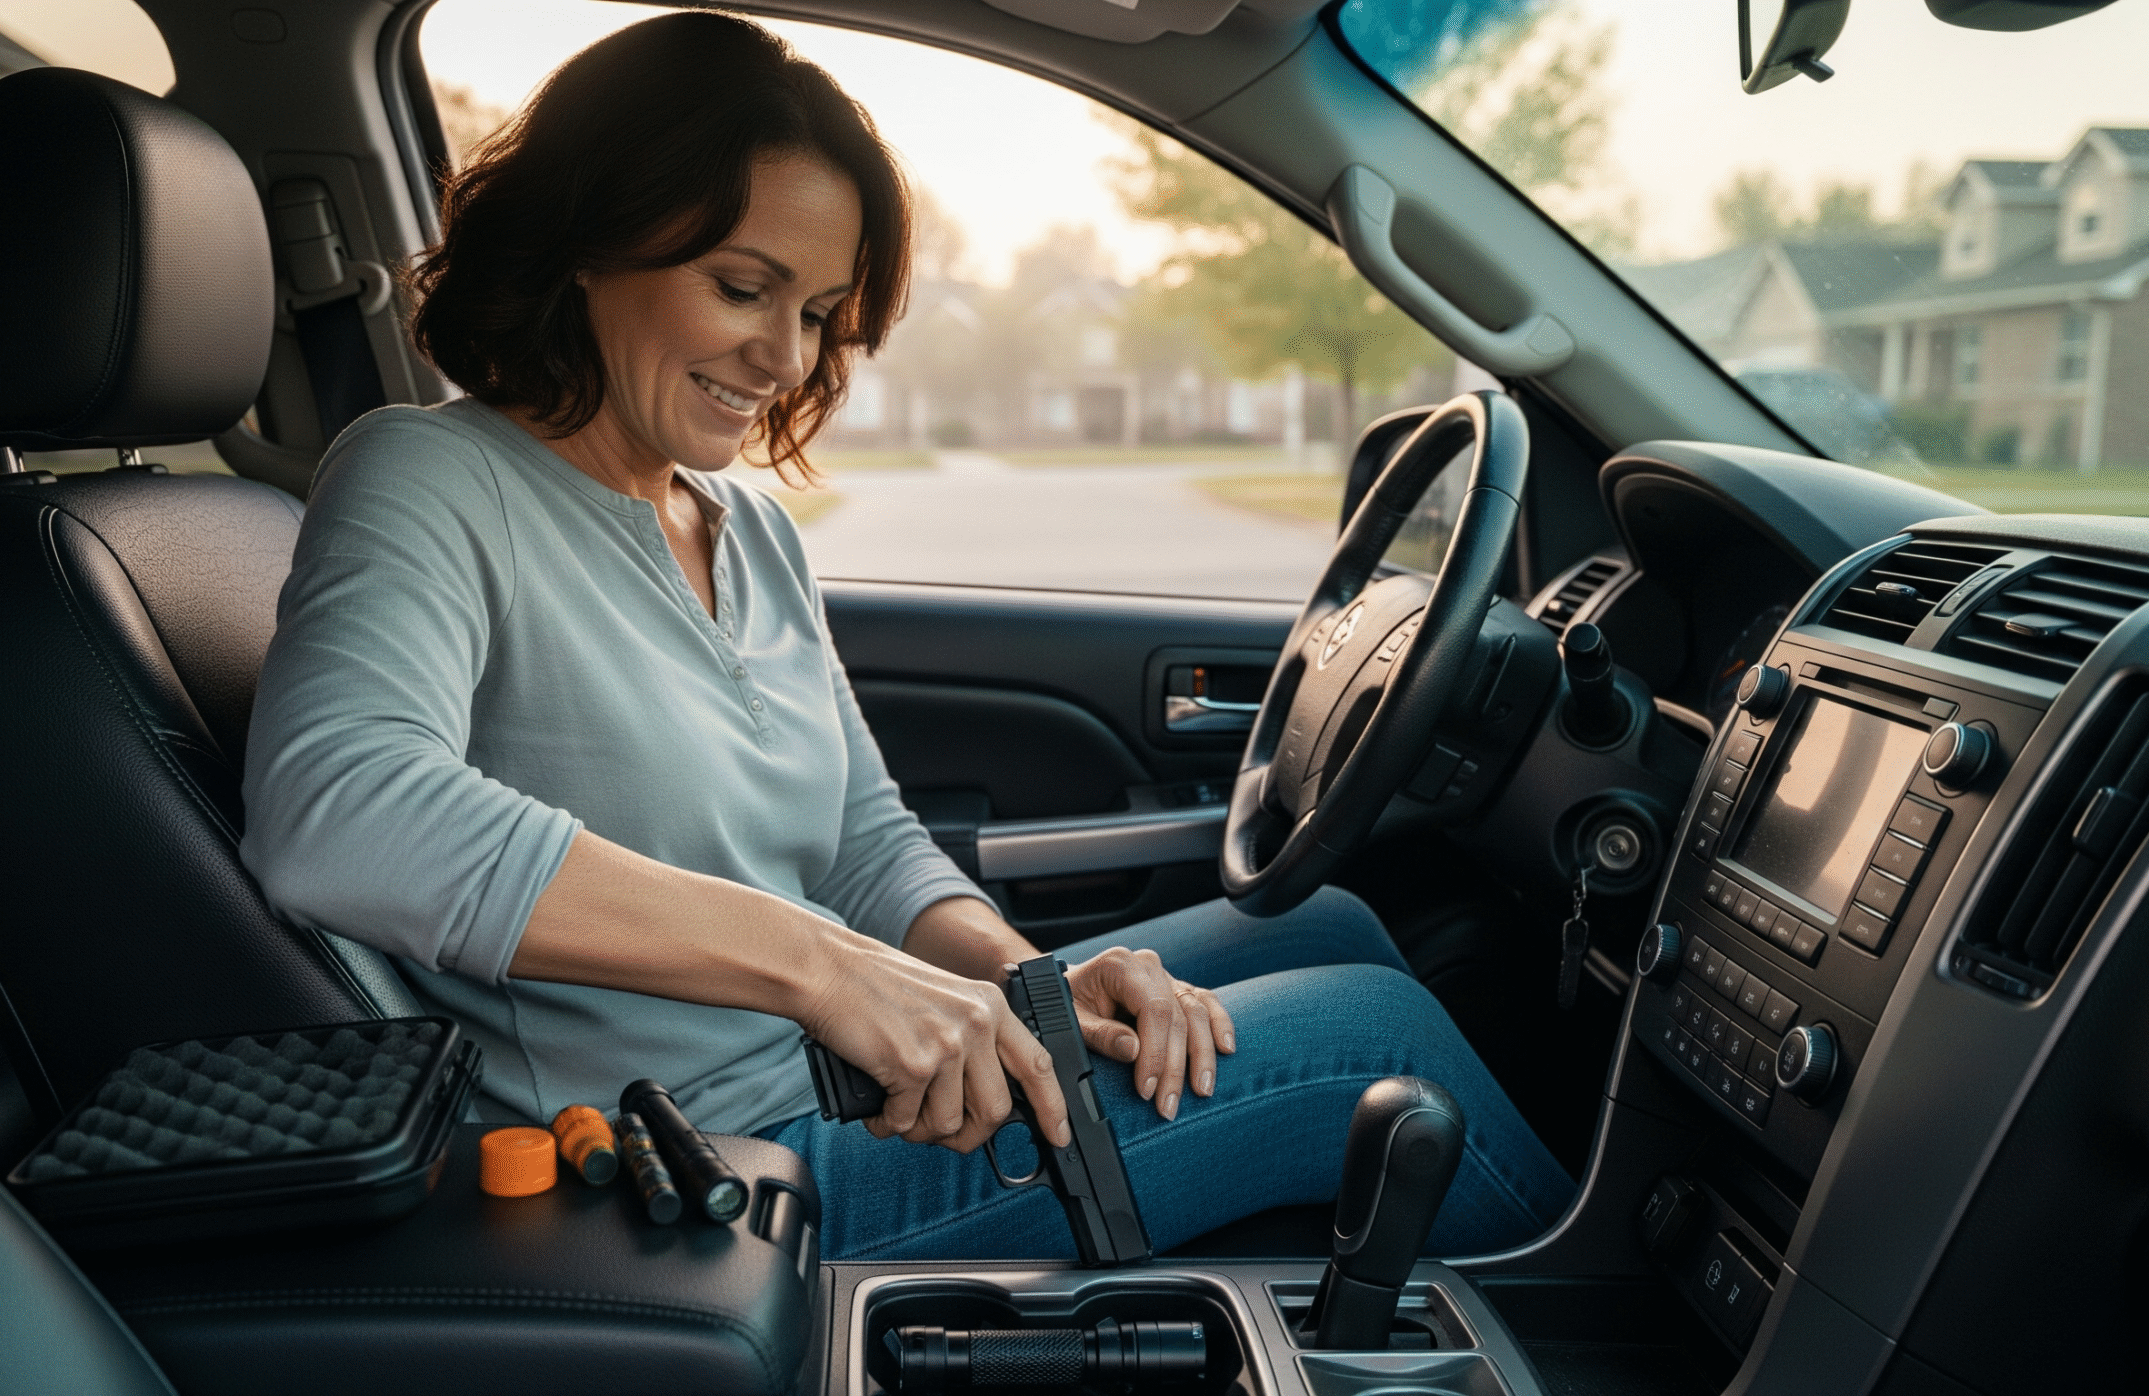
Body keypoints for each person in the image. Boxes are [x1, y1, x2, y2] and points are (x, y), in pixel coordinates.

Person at [241, 11, 1573, 1260]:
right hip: (707, 1179)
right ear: (587, 244)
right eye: (742, 285)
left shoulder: (745, 528)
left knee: (1328, 922)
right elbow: (338, 809)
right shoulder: (425, 476)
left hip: (844, 1080)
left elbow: (869, 847)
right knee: (1368, 1042)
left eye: (817, 313)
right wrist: (822, 969)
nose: (782, 357)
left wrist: (1028, 983)